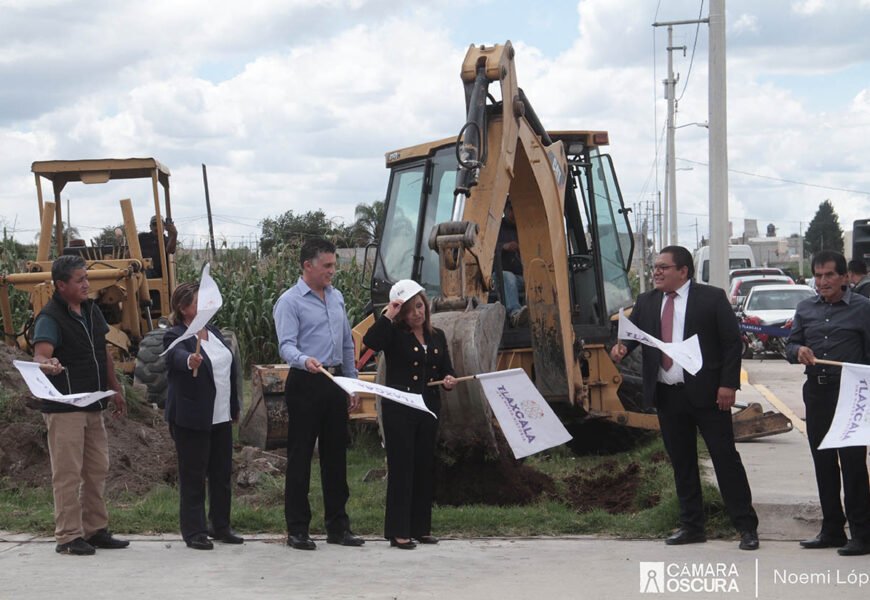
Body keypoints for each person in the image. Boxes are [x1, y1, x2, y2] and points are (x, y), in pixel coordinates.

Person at [610, 245, 759, 551]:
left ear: (683, 271)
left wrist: (728, 385)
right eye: (655, 266)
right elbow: (635, 336)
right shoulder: (647, 301)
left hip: (708, 396)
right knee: (682, 463)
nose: (657, 272)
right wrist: (622, 347)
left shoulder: (711, 298)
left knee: (724, 459)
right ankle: (692, 526)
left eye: (664, 267)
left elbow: (732, 343)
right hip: (668, 395)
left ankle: (746, 526)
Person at [31, 255, 129, 556]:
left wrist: (114, 388)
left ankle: (95, 530)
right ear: (61, 286)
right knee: (68, 473)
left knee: (97, 469)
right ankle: (68, 536)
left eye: (86, 278)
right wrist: (50, 364)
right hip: (65, 409)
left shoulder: (91, 311)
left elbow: (104, 353)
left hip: (93, 402)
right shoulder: (50, 318)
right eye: (79, 280)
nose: (87, 284)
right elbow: (40, 357)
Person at [273, 237, 364, 550]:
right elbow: (286, 345)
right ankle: (297, 529)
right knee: (300, 458)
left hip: (335, 382)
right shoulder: (290, 302)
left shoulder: (336, 297)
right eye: (327, 266)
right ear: (307, 266)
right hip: (306, 382)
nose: (332, 271)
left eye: (333, 265)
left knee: (336, 457)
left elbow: (348, 343)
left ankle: (338, 527)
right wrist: (303, 359)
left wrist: (351, 383)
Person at [786, 250, 870, 556]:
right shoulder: (805, 308)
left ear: (845, 277)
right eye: (818, 276)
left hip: (851, 396)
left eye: (830, 275)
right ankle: (831, 529)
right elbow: (790, 345)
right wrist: (798, 351)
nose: (823, 282)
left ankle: (862, 533)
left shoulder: (863, 309)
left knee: (853, 465)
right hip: (817, 394)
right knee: (823, 463)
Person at [362, 280, 457, 549]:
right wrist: (388, 315)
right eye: (410, 309)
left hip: (428, 407)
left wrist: (449, 380)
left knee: (424, 466)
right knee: (402, 467)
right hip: (399, 408)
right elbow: (370, 341)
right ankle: (398, 530)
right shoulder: (393, 334)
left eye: (419, 306)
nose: (417, 313)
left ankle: (420, 527)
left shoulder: (437, 336)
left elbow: (445, 369)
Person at [163, 282, 243, 551]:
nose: (206, 305)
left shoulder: (215, 333)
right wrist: (189, 362)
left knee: (221, 474)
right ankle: (194, 531)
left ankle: (220, 525)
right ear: (184, 308)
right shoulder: (176, 335)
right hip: (192, 418)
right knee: (193, 475)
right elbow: (174, 357)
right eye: (199, 301)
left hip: (220, 416)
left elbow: (227, 372)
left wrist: (233, 406)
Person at [496, 198, 528, 327]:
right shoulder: (496, 228)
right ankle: (515, 314)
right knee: (508, 277)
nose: (514, 213)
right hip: (498, 277)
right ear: (504, 209)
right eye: (511, 209)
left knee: (538, 279)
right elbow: (485, 248)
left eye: (517, 210)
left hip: (521, 278)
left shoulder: (525, 229)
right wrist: (504, 246)